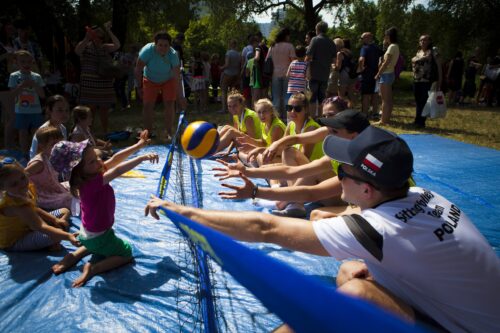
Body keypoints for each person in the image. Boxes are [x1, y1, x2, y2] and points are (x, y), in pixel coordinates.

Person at [146, 126, 500, 333]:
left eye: (342, 171)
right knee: (350, 269)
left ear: (366, 189)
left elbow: (265, 227)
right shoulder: (424, 194)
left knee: (352, 295)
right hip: (477, 311)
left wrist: (182, 212)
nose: (336, 175)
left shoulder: (375, 228)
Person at [50, 130, 159, 287]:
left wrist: (139, 145)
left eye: (96, 158)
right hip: (98, 237)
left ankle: (73, 256)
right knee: (127, 253)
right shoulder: (91, 184)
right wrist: (141, 158)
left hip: (88, 233)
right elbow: (118, 170)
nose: (99, 162)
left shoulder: (90, 175)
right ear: (78, 171)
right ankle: (93, 268)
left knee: (96, 243)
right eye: (92, 161)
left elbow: (115, 159)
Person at [0, 156, 78, 252]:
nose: (22, 183)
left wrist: (55, 220)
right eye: (14, 184)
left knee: (64, 211)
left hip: (29, 226)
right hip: (16, 240)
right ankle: (53, 240)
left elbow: (34, 208)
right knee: (57, 234)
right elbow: (40, 226)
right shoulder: (17, 206)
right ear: (3, 188)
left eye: (22, 177)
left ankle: (53, 235)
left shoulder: (23, 191)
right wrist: (68, 236)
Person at [135, 31, 186, 140]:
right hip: (149, 79)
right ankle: (147, 132)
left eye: (166, 45)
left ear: (170, 45)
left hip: (168, 79)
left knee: (169, 103)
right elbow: (138, 68)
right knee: (148, 105)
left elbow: (177, 77)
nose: (163, 48)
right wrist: (138, 86)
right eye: (160, 45)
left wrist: (180, 97)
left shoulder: (173, 55)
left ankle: (168, 132)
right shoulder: (147, 51)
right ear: (155, 44)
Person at [75, 21, 120, 134]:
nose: (99, 38)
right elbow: (77, 51)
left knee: (104, 109)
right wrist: (86, 38)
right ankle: (90, 133)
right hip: (90, 84)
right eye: (96, 35)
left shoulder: (104, 47)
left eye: (101, 36)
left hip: (104, 83)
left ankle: (105, 132)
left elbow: (117, 45)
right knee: (91, 110)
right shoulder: (86, 46)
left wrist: (109, 30)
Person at [26, 126, 74, 212]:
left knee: (79, 185)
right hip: (43, 195)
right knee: (69, 198)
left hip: (54, 187)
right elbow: (21, 174)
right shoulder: (39, 163)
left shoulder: (55, 156)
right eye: (53, 144)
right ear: (42, 146)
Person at [8, 50, 46, 155]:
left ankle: (35, 153)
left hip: (36, 110)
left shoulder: (37, 76)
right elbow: (12, 94)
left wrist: (34, 84)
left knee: (36, 133)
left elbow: (42, 95)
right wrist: (22, 86)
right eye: (23, 62)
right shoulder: (14, 76)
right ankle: (24, 153)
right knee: (23, 133)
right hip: (21, 110)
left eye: (29, 62)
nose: (26, 64)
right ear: (17, 63)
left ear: (32, 62)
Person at [305, 22, 336, 117]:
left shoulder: (315, 40)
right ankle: (320, 117)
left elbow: (308, 57)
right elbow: (334, 60)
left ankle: (312, 118)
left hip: (314, 73)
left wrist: (307, 70)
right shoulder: (331, 42)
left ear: (317, 29)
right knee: (322, 98)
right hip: (325, 73)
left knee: (312, 97)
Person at [411, 34, 442, 128]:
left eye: (425, 40)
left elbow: (439, 67)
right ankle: (417, 120)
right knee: (418, 101)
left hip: (427, 80)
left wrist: (440, 81)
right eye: (421, 40)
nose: (423, 42)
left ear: (429, 41)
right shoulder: (418, 52)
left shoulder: (433, 51)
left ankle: (421, 122)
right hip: (416, 80)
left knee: (423, 101)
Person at [266, 28, 296, 118]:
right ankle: (287, 117)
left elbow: (267, 60)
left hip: (275, 74)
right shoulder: (290, 46)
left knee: (276, 98)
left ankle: (276, 117)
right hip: (287, 74)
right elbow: (293, 61)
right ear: (286, 36)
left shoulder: (272, 47)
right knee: (287, 97)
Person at [29, 94, 70, 159]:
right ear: (49, 111)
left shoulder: (63, 129)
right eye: (60, 110)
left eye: (67, 110)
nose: (64, 114)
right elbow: (35, 156)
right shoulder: (44, 131)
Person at [374, 27, 399, 126]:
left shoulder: (392, 47)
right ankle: (386, 119)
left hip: (386, 74)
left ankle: (383, 120)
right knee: (388, 99)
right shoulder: (395, 46)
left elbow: (386, 62)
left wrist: (378, 73)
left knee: (385, 99)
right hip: (390, 73)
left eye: (386, 35)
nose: (385, 37)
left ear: (388, 36)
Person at [0, 19, 18, 149]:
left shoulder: (12, 42)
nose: (11, 29)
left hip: (13, 81)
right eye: (8, 27)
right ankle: (8, 146)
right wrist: (5, 55)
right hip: (2, 83)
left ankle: (9, 145)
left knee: (8, 116)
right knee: (13, 115)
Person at [358, 32, 382, 119]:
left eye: (362, 38)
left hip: (367, 75)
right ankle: (375, 113)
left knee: (365, 95)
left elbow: (361, 59)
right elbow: (382, 59)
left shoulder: (365, 48)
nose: (361, 40)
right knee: (375, 94)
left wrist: (361, 69)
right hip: (376, 74)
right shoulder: (377, 48)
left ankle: (364, 114)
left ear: (368, 38)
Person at [220, 40, 241, 113]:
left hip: (227, 74)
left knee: (223, 91)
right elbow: (239, 65)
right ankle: (235, 108)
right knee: (234, 92)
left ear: (230, 45)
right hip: (235, 75)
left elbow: (227, 64)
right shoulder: (239, 54)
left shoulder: (228, 53)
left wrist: (220, 68)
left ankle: (224, 109)